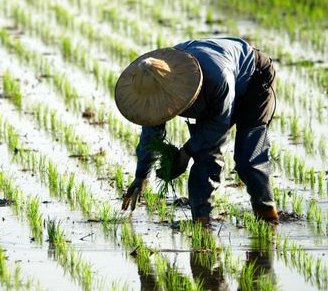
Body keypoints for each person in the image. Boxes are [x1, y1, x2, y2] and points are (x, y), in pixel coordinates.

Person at [115, 37, 279, 223]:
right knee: (205, 157)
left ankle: (267, 216)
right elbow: (151, 133)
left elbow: (217, 128)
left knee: (248, 159)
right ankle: (202, 223)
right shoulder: (155, 88)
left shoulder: (216, 78)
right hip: (216, 84)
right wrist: (142, 174)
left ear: (173, 91)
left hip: (254, 81)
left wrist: (185, 153)